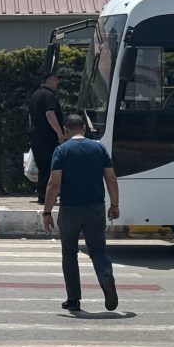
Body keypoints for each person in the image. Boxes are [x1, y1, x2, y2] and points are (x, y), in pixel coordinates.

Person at [41, 114, 120, 312]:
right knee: (99, 251)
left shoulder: (62, 150)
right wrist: (115, 205)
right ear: (83, 128)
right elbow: (111, 178)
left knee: (69, 254)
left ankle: (73, 300)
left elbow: (53, 183)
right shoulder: (99, 148)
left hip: (70, 210)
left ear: (66, 131)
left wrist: (47, 212)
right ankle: (105, 277)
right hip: (95, 208)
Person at [28, 73, 65, 203]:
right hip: (47, 137)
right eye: (56, 79)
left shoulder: (35, 95)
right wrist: (60, 133)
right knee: (51, 166)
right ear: (48, 80)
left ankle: (42, 195)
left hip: (36, 135)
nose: (57, 82)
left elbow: (30, 117)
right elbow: (50, 114)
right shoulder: (48, 95)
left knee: (43, 167)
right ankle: (47, 196)